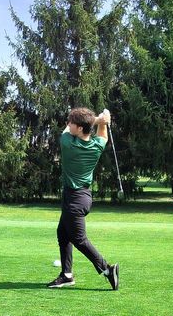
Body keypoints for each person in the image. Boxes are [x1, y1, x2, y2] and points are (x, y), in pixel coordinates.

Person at [47, 107, 119, 290]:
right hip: (82, 196)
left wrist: (99, 119)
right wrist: (104, 120)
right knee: (62, 234)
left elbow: (70, 129)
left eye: (71, 122)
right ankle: (66, 275)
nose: (68, 124)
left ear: (79, 128)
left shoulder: (67, 143)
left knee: (78, 239)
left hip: (74, 200)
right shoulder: (97, 145)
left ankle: (107, 269)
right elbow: (103, 133)